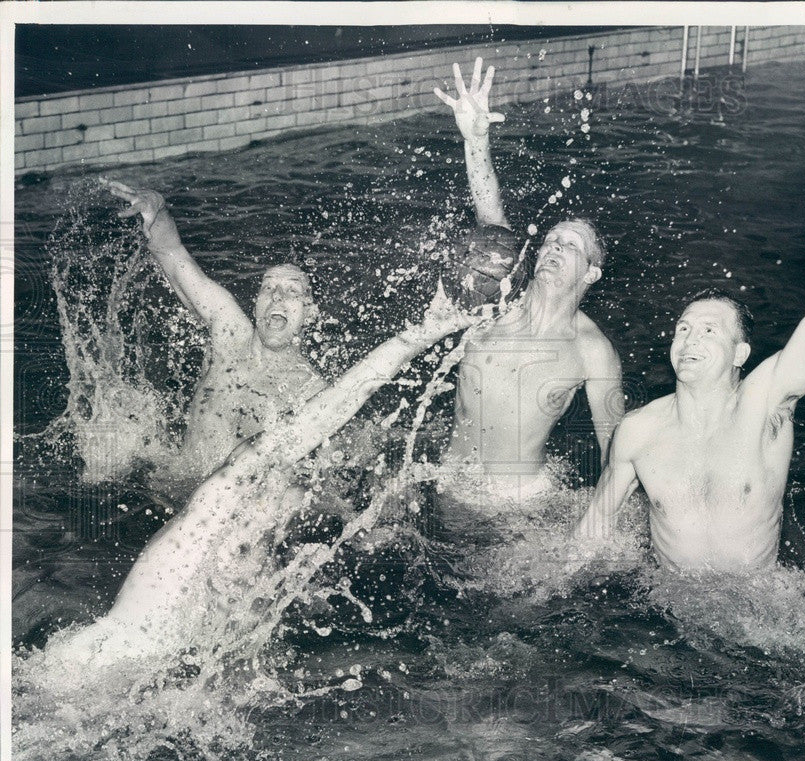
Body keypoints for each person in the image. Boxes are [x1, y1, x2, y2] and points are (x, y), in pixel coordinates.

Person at [46, 285, 481, 662]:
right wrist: (421, 333)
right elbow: (335, 406)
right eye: (288, 489)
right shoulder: (212, 511)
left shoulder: (240, 576)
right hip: (99, 666)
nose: (293, 499)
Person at [574, 131, 805, 572]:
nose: (689, 339)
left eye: (708, 329)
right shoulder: (638, 431)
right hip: (671, 615)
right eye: (683, 328)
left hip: (761, 616)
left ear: (741, 353)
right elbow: (593, 532)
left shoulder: (764, 403)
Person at [434, 59, 624, 505]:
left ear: (592, 272)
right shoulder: (504, 293)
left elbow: (617, 450)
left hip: (520, 501)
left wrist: (601, 524)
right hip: (448, 480)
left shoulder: (592, 351)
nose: (555, 247)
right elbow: (490, 216)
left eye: (571, 245)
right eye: (552, 240)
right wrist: (475, 140)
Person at [100, 178, 326, 480]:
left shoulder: (311, 390)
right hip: (169, 485)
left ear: (310, 314)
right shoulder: (230, 331)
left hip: (226, 515)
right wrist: (158, 212)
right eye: (268, 287)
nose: (277, 296)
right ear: (256, 303)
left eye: (292, 292)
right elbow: (173, 255)